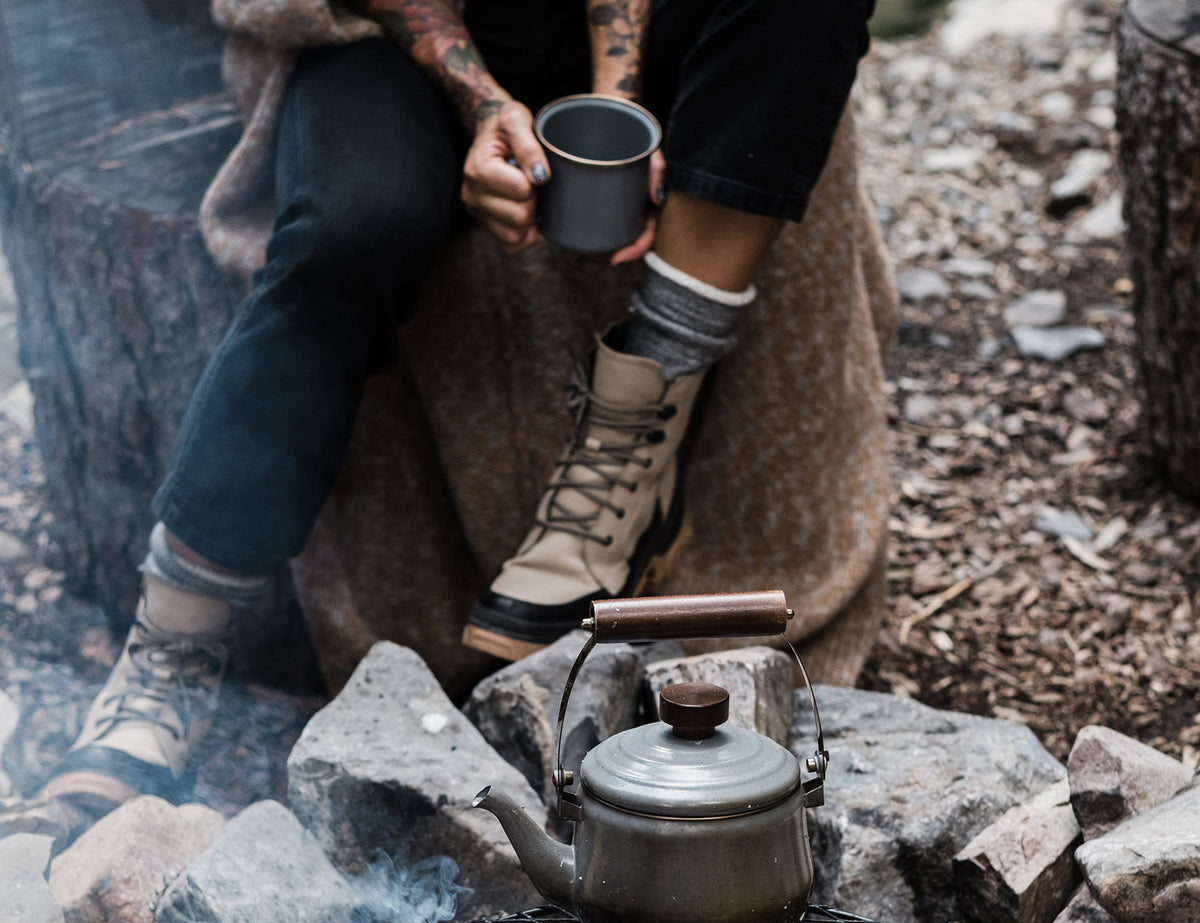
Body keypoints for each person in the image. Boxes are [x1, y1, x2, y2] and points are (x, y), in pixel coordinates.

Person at [33, 0, 876, 816]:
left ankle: (630, 441)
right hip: (376, 31)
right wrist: (483, 105)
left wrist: (612, 97)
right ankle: (171, 654)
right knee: (357, 225)